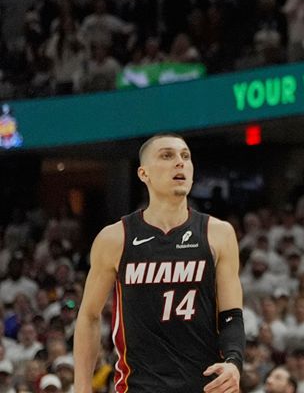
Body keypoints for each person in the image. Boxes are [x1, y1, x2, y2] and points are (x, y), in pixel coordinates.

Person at [72, 134, 245, 393]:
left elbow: (231, 314)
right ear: (144, 173)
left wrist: (234, 362)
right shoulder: (115, 237)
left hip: (204, 385)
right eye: (167, 155)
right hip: (138, 386)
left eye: (185, 156)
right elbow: (88, 316)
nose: (180, 162)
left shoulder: (218, 233)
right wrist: (82, 387)